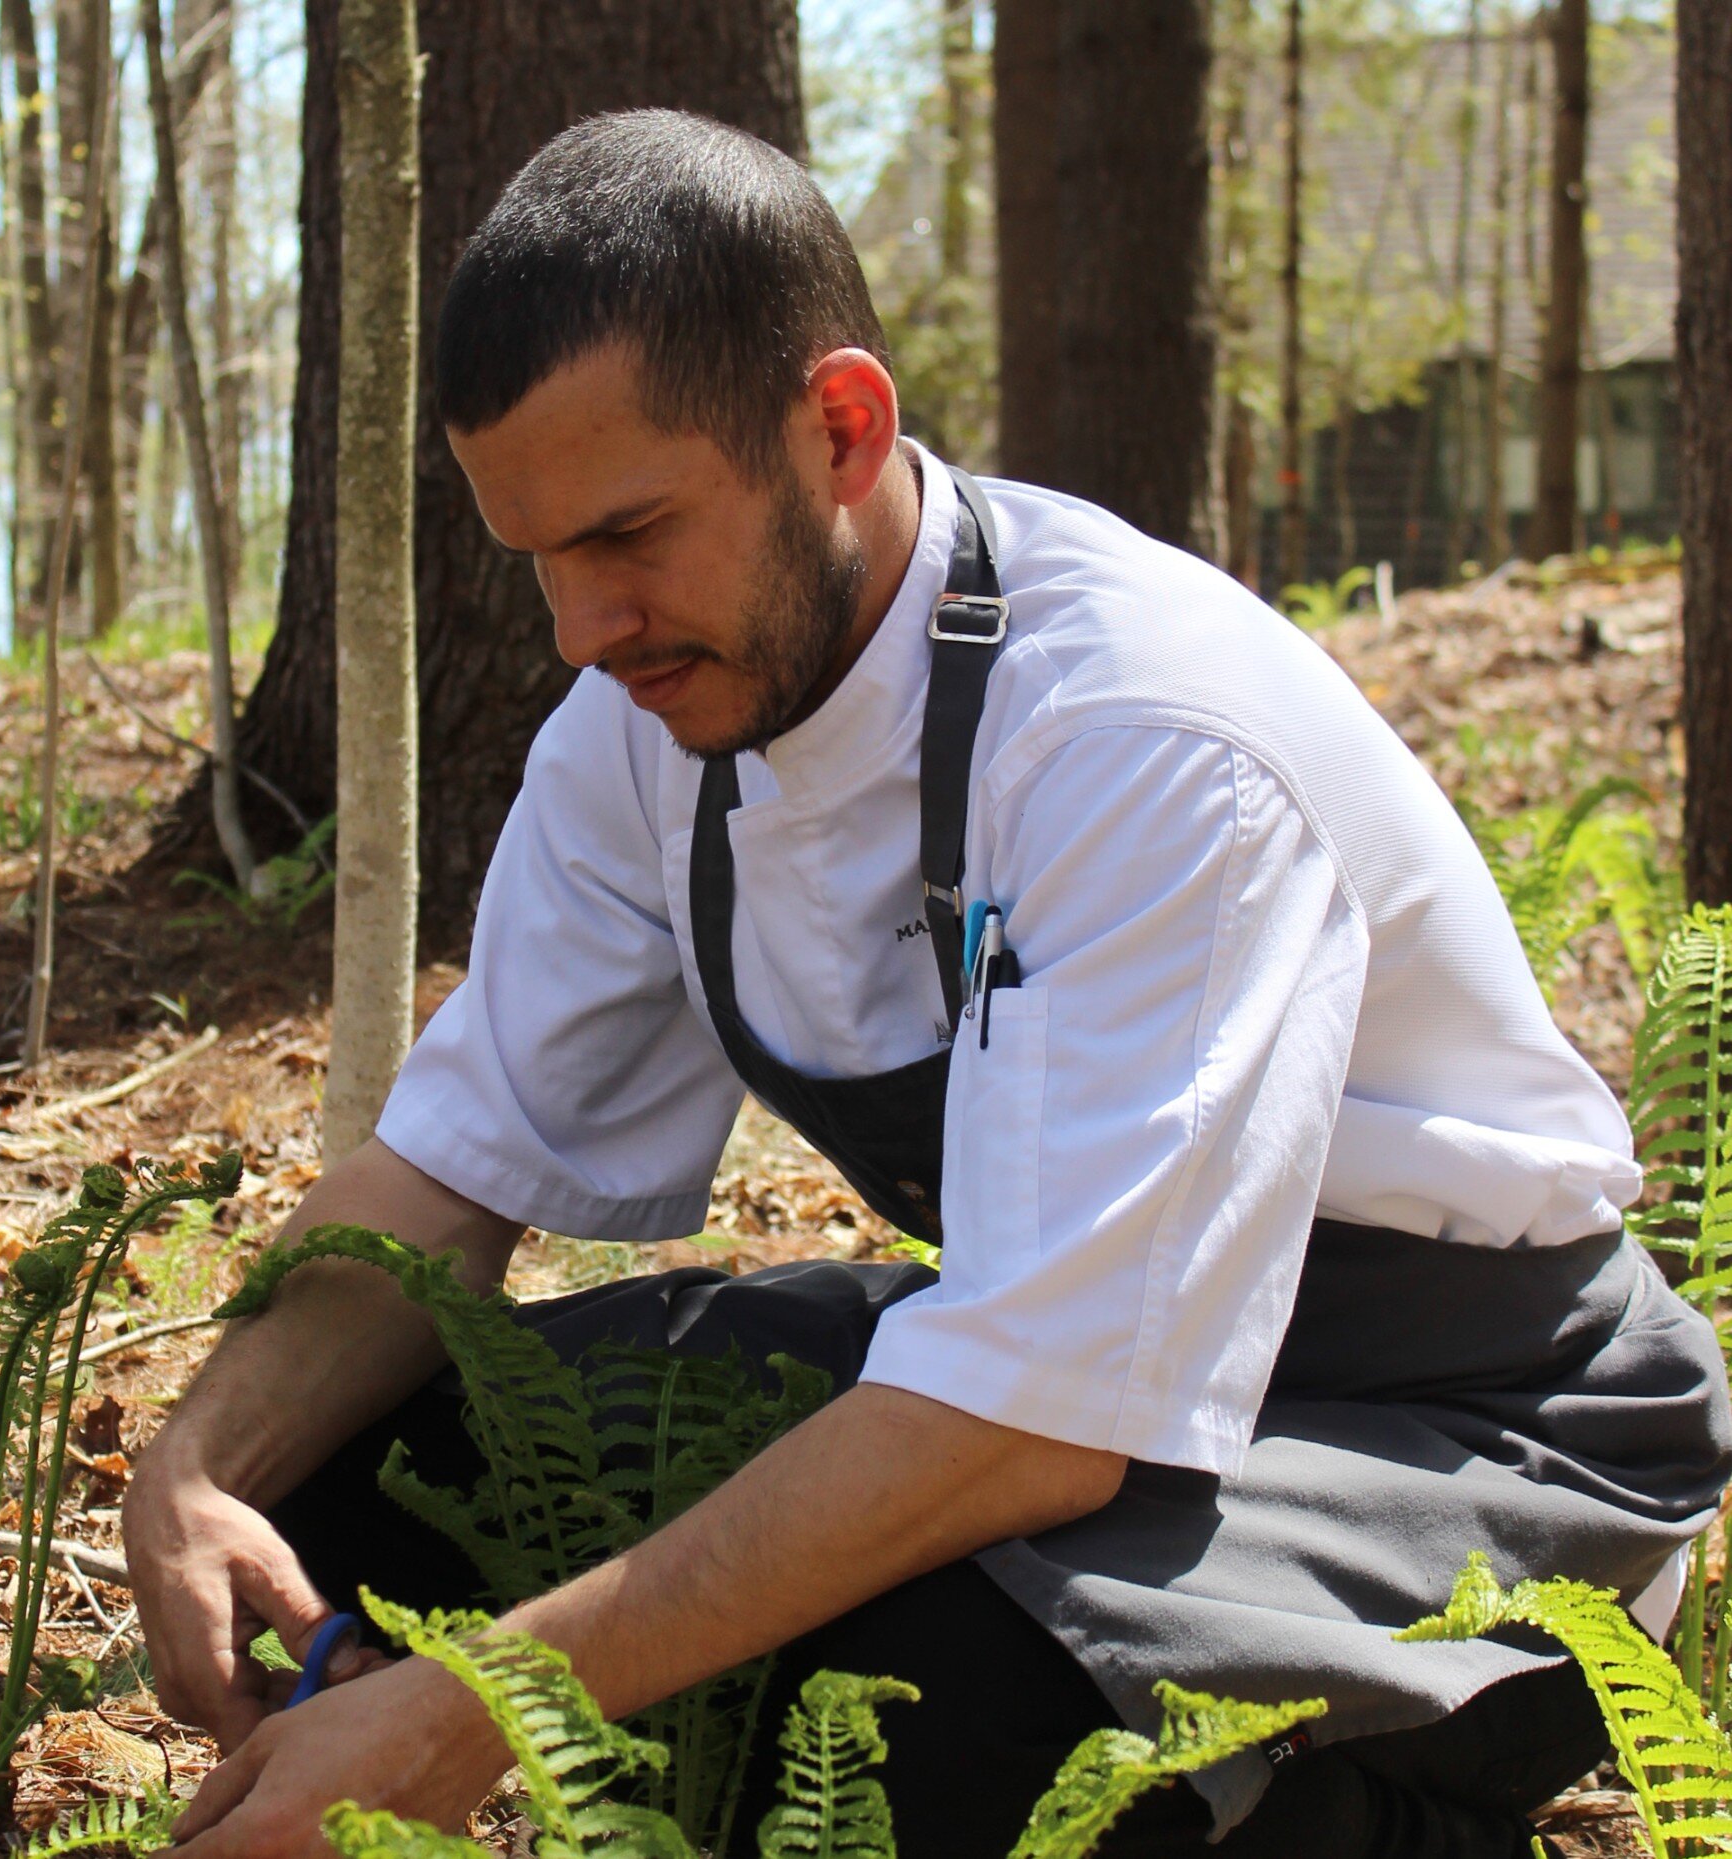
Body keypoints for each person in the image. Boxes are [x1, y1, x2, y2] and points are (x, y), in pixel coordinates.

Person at [123, 110, 1731, 1858]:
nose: (583, 631)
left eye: (631, 534)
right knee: (374, 1480)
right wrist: (202, 1460)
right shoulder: (642, 730)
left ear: (840, 427)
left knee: (903, 1730)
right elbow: (446, 1172)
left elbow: (1035, 1424)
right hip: (1066, 1363)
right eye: (541, 559)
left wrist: (482, 1706)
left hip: (1459, 1428)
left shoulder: (1135, 736)